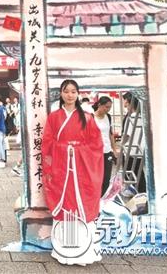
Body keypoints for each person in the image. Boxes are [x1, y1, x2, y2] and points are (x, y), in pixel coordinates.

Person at [42, 79, 103, 266]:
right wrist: (64, 150)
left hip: (82, 172)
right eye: (66, 91)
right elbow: (47, 142)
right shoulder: (54, 117)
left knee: (80, 207)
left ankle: (84, 252)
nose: (70, 95)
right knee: (66, 209)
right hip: (62, 172)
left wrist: (75, 151)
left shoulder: (87, 117)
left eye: (73, 91)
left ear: (78, 94)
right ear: (61, 93)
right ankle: (65, 251)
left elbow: (96, 145)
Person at [92, 96, 119, 196]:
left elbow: (110, 134)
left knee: (106, 178)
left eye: (110, 107)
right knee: (96, 178)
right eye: (106, 107)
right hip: (95, 153)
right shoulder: (91, 117)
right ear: (99, 105)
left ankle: (102, 199)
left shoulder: (108, 117)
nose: (108, 109)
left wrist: (114, 149)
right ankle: (95, 198)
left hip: (107, 151)